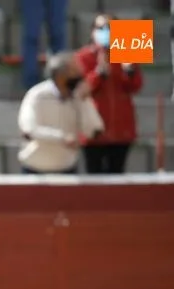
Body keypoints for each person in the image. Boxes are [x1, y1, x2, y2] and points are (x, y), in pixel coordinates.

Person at [75, 13, 142, 174]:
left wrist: (129, 71)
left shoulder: (128, 51)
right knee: (94, 181)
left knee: (117, 177)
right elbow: (81, 91)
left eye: (111, 28)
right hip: (94, 130)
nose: (106, 32)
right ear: (92, 31)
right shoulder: (83, 57)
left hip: (121, 130)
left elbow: (136, 86)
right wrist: (99, 74)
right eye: (101, 28)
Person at [17, 51, 103, 175]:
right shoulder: (37, 95)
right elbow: (29, 129)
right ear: (60, 76)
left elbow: (94, 130)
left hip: (66, 168)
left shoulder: (78, 97)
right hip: (35, 169)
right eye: (74, 71)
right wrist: (61, 138)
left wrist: (85, 101)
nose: (80, 75)